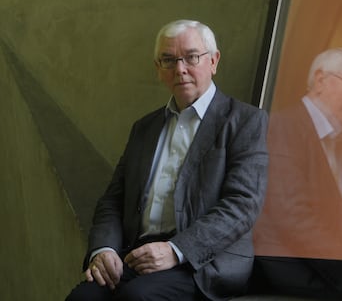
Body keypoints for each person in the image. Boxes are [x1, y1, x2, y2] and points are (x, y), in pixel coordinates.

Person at [65, 19, 268, 301]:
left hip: (205, 261)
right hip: (138, 254)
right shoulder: (144, 128)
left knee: (138, 297)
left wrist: (175, 250)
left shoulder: (245, 121)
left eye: (191, 57)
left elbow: (243, 205)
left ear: (214, 61)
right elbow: (113, 199)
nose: (180, 69)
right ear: (158, 69)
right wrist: (105, 250)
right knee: (83, 298)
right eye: (169, 60)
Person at [253, 48, 342, 297]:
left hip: (340, 271)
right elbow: (293, 217)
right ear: (320, 80)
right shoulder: (283, 128)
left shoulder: (338, 139)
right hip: (304, 277)